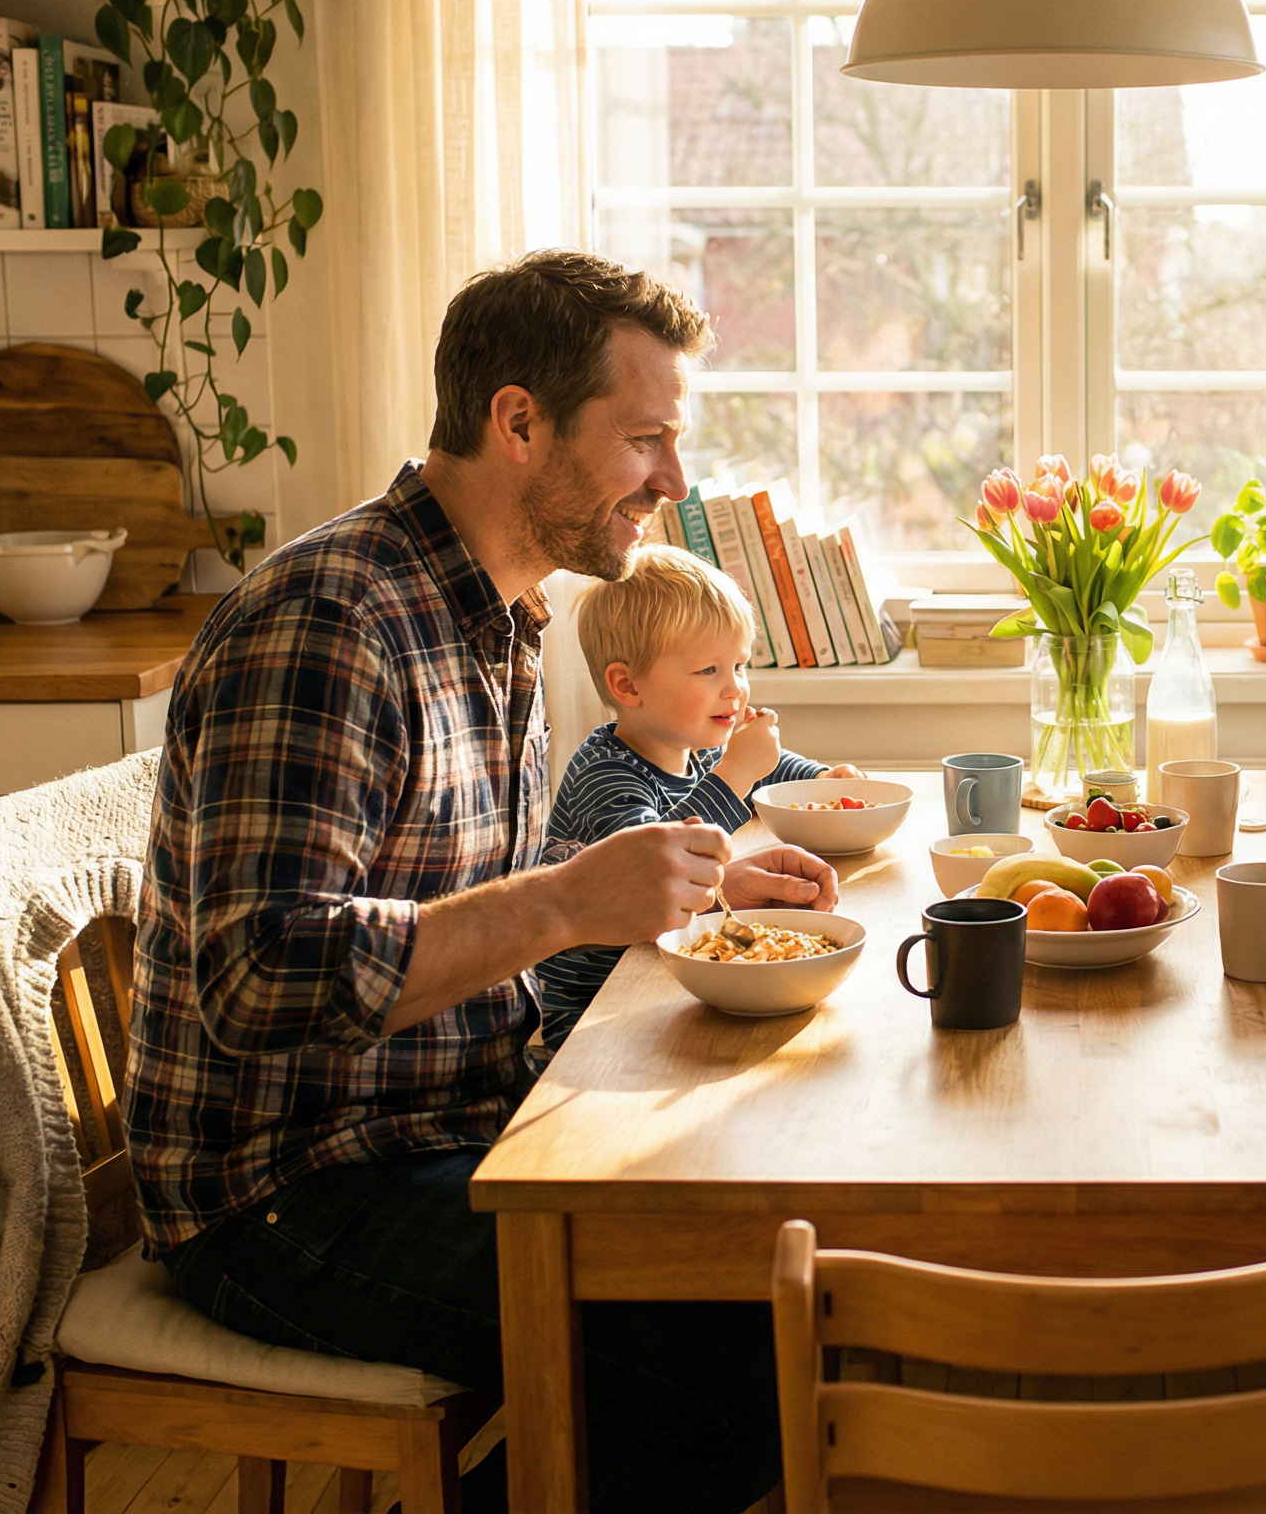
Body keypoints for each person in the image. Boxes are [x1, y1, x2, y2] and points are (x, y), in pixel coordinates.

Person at [126, 250, 837, 1513]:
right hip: (293, 1189)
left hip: (461, 1126)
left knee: (772, 1247)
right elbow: (256, 976)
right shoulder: (333, 623)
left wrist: (688, 867)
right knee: (740, 1350)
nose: (671, 484)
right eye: (644, 440)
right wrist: (567, 901)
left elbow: (458, 893)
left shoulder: (492, 614)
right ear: (519, 421)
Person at [537, 545, 863, 1055]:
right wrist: (735, 773)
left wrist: (823, 778)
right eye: (708, 670)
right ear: (628, 685)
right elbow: (659, 870)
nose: (734, 689)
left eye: (739, 665)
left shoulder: (693, 746)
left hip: (666, 978)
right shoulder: (605, 774)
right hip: (598, 1017)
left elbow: (771, 765)